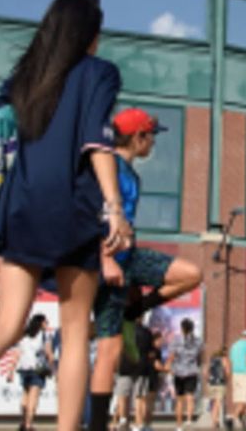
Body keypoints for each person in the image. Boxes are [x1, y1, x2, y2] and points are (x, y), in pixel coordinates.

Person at [0, 0, 116, 431]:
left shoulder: (24, 78)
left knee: (5, 325)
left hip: (20, 205)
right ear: (89, 35)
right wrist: (115, 207)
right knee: (74, 335)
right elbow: (96, 143)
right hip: (75, 207)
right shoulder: (99, 72)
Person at [86, 107, 202, 431]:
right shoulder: (108, 167)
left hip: (130, 259)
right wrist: (104, 257)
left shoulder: (130, 173)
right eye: (151, 135)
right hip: (106, 263)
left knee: (192, 274)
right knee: (108, 350)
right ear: (139, 137)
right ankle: (96, 425)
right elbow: (92, 213)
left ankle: (134, 308)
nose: (153, 142)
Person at [11, 314, 55, 431]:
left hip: (24, 368)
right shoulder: (45, 336)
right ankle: (29, 424)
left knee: (25, 395)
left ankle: (23, 421)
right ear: (40, 323)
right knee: (33, 397)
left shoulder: (24, 335)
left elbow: (17, 353)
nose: (47, 324)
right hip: (37, 369)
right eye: (46, 322)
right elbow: (49, 353)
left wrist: (11, 370)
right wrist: (53, 369)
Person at [168, 318, 203, 431]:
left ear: (182, 328)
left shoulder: (176, 340)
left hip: (179, 372)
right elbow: (200, 357)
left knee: (179, 400)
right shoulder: (198, 341)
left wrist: (168, 366)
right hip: (192, 371)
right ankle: (189, 420)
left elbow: (172, 356)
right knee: (190, 397)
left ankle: (179, 426)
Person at [228, 330, 246, 431]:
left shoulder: (234, 346)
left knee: (240, 399)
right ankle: (232, 419)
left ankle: (244, 422)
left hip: (235, 374)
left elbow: (231, 361)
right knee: (245, 400)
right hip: (244, 373)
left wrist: (231, 374)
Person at [206, 348, 230, 430]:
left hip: (211, 383)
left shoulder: (212, 360)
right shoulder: (225, 359)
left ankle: (215, 421)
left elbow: (206, 372)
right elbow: (227, 372)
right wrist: (227, 380)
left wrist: (208, 381)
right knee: (217, 403)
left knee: (212, 403)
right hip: (220, 383)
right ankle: (214, 423)